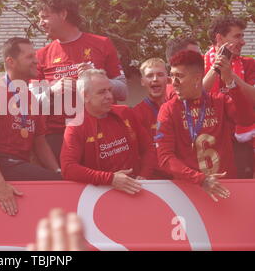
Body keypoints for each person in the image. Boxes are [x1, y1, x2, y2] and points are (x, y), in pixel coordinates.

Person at [0, 37, 61, 216]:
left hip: (17, 164)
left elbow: (40, 142)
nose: (36, 60)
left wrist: (58, 172)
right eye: (29, 57)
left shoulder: (30, 97)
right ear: (10, 62)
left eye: (35, 55)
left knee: (59, 181)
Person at [35, 0, 128, 160]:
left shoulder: (101, 44)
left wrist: (98, 79)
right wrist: (51, 91)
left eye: (45, 17)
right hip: (58, 136)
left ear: (63, 14)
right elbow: (31, 101)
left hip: (99, 131)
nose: (40, 23)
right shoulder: (41, 54)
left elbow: (123, 91)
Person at [156, 50, 254, 201]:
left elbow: (246, 120)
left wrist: (231, 83)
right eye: (172, 75)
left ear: (197, 78)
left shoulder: (220, 101)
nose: (173, 82)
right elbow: (164, 158)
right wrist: (201, 179)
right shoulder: (168, 109)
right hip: (189, 192)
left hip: (225, 189)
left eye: (179, 76)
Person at [60, 69, 156, 193]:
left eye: (110, 90)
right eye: (101, 92)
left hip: (137, 188)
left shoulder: (125, 112)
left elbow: (148, 148)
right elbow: (68, 168)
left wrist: (144, 177)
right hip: (100, 194)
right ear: (85, 96)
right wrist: (110, 179)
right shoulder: (75, 127)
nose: (110, 96)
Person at [203, 16, 255, 178]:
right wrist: (216, 68)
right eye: (237, 36)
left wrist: (230, 75)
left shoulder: (249, 64)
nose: (243, 42)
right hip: (207, 138)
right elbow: (197, 94)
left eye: (243, 36)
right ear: (220, 38)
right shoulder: (200, 62)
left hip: (240, 141)